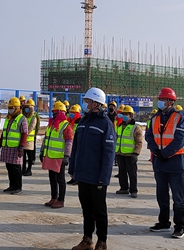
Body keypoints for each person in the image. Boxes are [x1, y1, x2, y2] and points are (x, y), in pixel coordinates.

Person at [68, 87, 114, 250]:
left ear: (96, 103)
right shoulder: (83, 122)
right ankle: (87, 240)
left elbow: (109, 153)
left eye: (88, 101)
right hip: (83, 173)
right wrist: (73, 168)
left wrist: (104, 176)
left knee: (99, 210)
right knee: (86, 209)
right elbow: (76, 147)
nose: (85, 104)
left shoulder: (106, 124)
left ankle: (102, 242)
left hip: (97, 176)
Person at [145, 87, 184, 239]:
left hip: (175, 162)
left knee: (178, 199)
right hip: (160, 162)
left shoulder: (179, 118)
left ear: (170, 102)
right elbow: (149, 136)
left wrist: (164, 153)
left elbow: (179, 140)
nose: (160, 102)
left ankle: (180, 226)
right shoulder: (155, 118)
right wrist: (156, 151)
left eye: (163, 99)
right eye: (160, 99)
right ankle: (163, 222)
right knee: (161, 196)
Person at [40, 101, 73, 209]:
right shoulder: (51, 124)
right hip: (50, 155)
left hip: (59, 157)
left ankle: (61, 200)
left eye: (56, 112)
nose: (53, 114)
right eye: (53, 112)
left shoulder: (65, 125)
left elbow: (69, 141)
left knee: (60, 179)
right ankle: (54, 197)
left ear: (61, 112)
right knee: (52, 178)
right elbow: (46, 139)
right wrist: (42, 151)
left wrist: (67, 155)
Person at [0, 97, 27, 195]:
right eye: (9, 108)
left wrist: (21, 146)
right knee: (9, 167)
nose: (10, 110)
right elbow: (4, 132)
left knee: (16, 168)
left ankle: (18, 186)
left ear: (17, 108)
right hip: (7, 146)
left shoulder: (22, 119)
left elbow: (24, 133)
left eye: (12, 108)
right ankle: (12, 185)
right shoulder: (8, 118)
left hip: (16, 147)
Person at [114, 105, 143, 198]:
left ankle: (133, 190)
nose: (124, 116)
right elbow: (117, 138)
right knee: (122, 172)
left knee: (132, 173)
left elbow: (139, 141)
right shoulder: (120, 126)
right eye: (123, 114)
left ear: (131, 115)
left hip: (130, 154)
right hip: (120, 153)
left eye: (126, 114)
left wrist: (136, 153)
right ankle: (124, 188)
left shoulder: (136, 127)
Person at [22, 98, 39, 177]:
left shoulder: (33, 117)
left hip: (29, 140)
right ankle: (23, 169)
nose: (26, 110)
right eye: (25, 108)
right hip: (23, 139)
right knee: (23, 156)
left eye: (28, 108)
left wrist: (25, 133)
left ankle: (29, 170)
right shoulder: (23, 117)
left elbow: (31, 127)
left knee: (30, 156)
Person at [66, 104, 82, 186]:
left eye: (73, 113)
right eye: (71, 112)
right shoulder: (69, 121)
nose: (71, 114)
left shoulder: (80, 121)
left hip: (77, 144)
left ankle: (77, 178)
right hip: (71, 144)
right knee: (71, 162)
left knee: (77, 162)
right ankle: (73, 177)